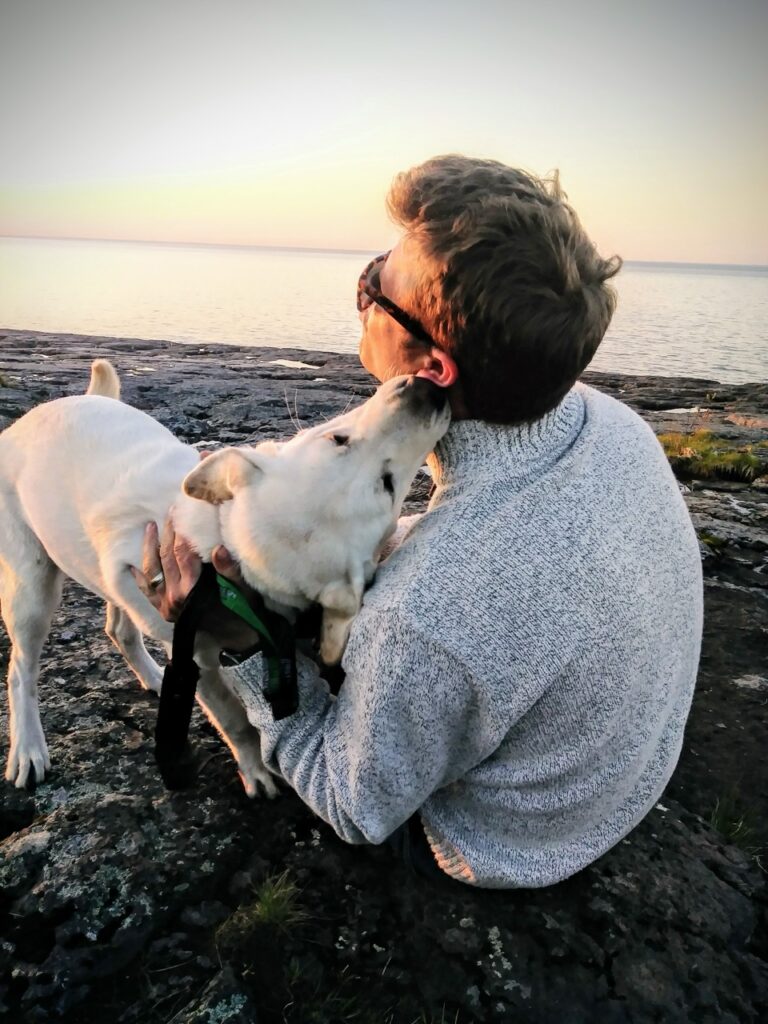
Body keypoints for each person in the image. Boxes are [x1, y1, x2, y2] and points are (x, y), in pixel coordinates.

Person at [136, 155, 703, 888]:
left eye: (375, 285)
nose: (363, 291)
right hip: (625, 766)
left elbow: (354, 803)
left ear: (430, 370)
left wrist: (246, 645)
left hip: (516, 841)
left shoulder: (427, 619)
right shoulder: (612, 421)